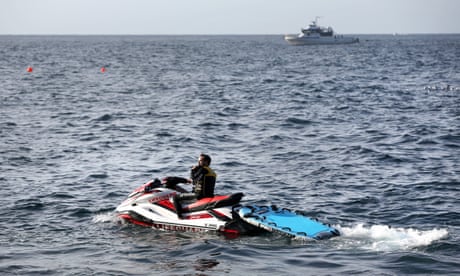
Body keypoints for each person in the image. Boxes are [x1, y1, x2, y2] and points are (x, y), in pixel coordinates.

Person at [173, 153, 216, 218]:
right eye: (198, 160)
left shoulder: (203, 169)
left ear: (206, 162)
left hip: (199, 195)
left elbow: (193, 180)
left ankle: (179, 216)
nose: (198, 162)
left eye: (200, 160)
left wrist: (193, 170)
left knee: (175, 198)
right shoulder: (212, 171)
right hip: (209, 195)